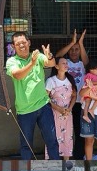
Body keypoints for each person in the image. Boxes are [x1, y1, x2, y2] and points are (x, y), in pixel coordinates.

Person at [5, 31, 59, 159]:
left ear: (29, 42)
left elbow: (51, 64)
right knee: (26, 146)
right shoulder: (12, 61)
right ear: (13, 46)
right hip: (25, 111)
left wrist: (49, 56)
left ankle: (57, 170)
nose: (22, 45)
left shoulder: (37, 56)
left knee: (52, 141)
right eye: (18, 44)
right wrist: (32, 63)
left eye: (24, 42)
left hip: (43, 106)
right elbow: (18, 75)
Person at [55, 29, 89, 159]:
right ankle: (63, 155)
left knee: (79, 131)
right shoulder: (64, 63)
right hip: (66, 103)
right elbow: (57, 57)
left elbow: (87, 62)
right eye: (72, 49)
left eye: (76, 49)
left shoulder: (82, 64)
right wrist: (72, 43)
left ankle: (78, 156)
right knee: (64, 131)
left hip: (80, 102)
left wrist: (80, 43)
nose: (74, 52)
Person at [45, 57, 76, 160]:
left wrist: (70, 108)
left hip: (67, 114)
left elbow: (74, 95)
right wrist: (57, 108)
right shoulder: (51, 81)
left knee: (67, 138)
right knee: (54, 138)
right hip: (54, 114)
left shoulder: (70, 79)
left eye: (66, 63)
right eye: (63, 63)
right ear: (57, 66)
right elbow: (45, 98)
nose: (66, 65)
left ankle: (66, 163)